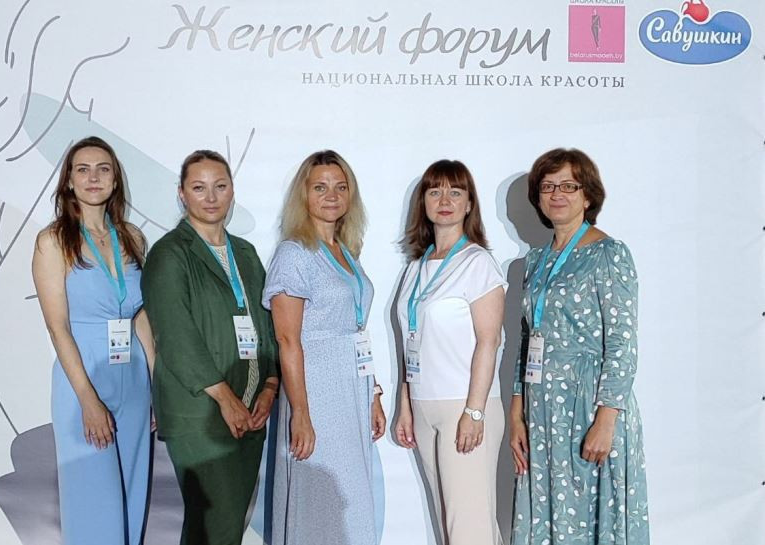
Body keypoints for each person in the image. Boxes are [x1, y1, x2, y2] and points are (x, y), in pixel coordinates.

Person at [509, 148, 650, 545]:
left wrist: (606, 420)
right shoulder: (535, 261)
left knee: (589, 515)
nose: (557, 194)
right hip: (541, 409)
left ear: (588, 196)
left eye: (569, 186)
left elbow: (622, 342)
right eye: (548, 186)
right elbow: (527, 338)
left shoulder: (608, 253)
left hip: (588, 404)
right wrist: (517, 414)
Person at [141, 150, 279, 545]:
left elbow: (267, 325)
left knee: (222, 530)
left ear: (232, 190)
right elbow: (174, 334)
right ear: (182, 194)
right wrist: (224, 397)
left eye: (220, 186)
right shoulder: (170, 254)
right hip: (200, 413)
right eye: (199, 188)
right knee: (217, 526)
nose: (211, 197)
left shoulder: (246, 254)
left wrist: (270, 386)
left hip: (251, 410)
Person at [32, 136, 152, 545]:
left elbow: (140, 318)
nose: (93, 177)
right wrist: (88, 400)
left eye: (103, 169)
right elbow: (58, 327)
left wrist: (157, 385)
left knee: (131, 499)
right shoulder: (53, 241)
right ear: (68, 180)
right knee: (93, 504)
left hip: (134, 378)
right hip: (83, 378)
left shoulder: (132, 237)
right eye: (82, 170)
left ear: (115, 179)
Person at [263, 150, 386, 545]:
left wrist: (373, 393)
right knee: (319, 496)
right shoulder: (294, 253)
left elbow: (356, 330)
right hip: (316, 392)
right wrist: (300, 412)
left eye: (340, 186)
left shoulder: (346, 252)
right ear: (304, 195)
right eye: (320, 187)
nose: (331, 195)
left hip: (352, 391)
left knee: (350, 497)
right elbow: (287, 339)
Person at [393, 160, 507, 545]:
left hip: (464, 405)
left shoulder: (478, 263)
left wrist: (474, 412)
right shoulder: (415, 268)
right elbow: (411, 341)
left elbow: (489, 342)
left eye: (455, 192)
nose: (445, 200)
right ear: (423, 202)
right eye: (435, 191)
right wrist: (406, 405)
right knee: (449, 527)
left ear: (469, 203)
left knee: (469, 529)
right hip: (423, 406)